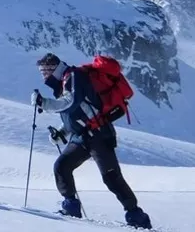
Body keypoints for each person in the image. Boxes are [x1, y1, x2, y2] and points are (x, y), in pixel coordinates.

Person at [33, 53, 151, 229]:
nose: (43, 75)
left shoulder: (73, 76)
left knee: (111, 177)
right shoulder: (63, 83)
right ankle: (71, 208)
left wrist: (44, 103)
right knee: (62, 166)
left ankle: (137, 216)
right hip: (82, 136)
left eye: (45, 71)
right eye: (41, 72)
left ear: (53, 68)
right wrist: (62, 132)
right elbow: (76, 114)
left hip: (98, 134)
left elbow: (71, 103)